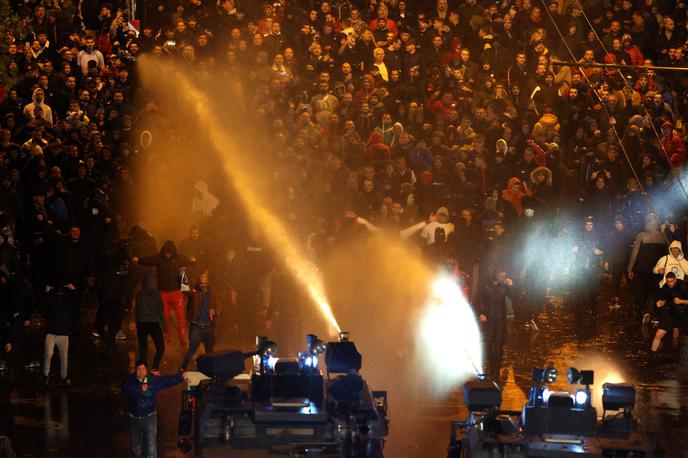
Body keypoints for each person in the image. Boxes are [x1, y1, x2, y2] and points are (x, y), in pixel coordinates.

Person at [133, 241, 194, 345]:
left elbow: (188, 262)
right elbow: (148, 260)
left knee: (180, 316)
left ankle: (182, 337)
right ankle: (167, 337)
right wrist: (139, 260)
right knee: (164, 317)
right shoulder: (159, 258)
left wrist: (193, 261)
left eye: (169, 253)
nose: (167, 255)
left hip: (176, 292)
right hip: (163, 293)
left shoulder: (180, 258)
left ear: (173, 252)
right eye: (166, 253)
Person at [122, 361, 187, 458]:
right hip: (134, 418)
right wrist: (140, 389)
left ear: (146, 370)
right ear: (135, 371)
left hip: (150, 417)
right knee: (136, 446)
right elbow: (126, 390)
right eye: (138, 369)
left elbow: (167, 380)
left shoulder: (152, 380)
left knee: (151, 445)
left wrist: (181, 376)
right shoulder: (129, 381)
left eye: (143, 369)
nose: (141, 372)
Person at [475, 269, 514, 378]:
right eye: (501, 275)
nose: (502, 277)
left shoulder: (505, 285)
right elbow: (478, 299)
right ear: (496, 274)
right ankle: (488, 364)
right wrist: (481, 313)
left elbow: (514, 297)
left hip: (500, 318)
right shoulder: (486, 284)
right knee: (488, 341)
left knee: (499, 343)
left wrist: (510, 287)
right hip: (489, 318)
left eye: (504, 275)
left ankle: (496, 368)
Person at [181, 270, 216, 370]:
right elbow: (184, 289)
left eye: (205, 277)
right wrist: (183, 274)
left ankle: (210, 370)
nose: (204, 278)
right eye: (202, 276)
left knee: (210, 351)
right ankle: (182, 368)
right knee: (191, 350)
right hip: (196, 327)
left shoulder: (212, 292)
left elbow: (218, 306)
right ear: (199, 279)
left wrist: (215, 311)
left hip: (208, 327)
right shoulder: (194, 291)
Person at [650, 272, 688, 363]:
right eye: (668, 281)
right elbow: (663, 299)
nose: (669, 283)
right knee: (659, 334)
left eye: (671, 281)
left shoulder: (683, 286)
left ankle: (679, 352)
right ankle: (652, 355)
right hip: (670, 312)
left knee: (681, 333)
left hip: (683, 313)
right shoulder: (665, 287)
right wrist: (660, 303)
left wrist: (681, 301)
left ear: (675, 279)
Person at [135, 275, 166, 374]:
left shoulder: (139, 294)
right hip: (153, 324)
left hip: (141, 324)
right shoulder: (156, 295)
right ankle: (155, 367)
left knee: (143, 350)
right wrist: (165, 327)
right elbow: (161, 312)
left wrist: (137, 323)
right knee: (160, 348)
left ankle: (142, 371)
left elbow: (136, 311)